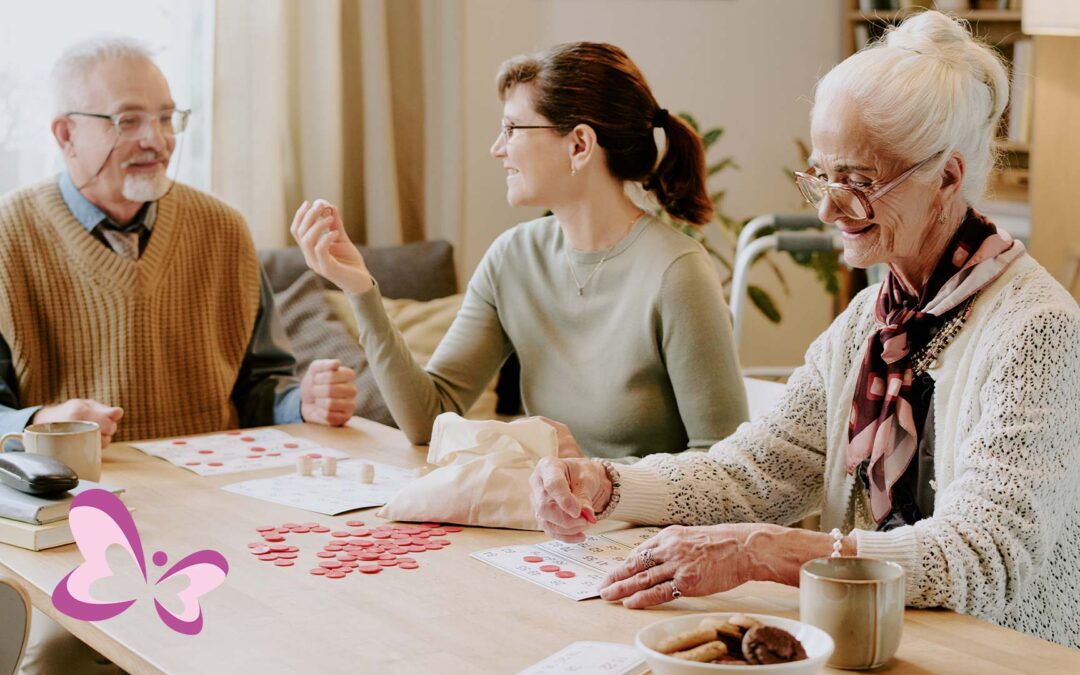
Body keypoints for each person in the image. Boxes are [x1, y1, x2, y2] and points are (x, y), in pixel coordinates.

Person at [530, 12, 1080, 649]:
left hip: (1005, 654)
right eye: (822, 174)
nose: (826, 207)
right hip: (879, 642)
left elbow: (982, 555)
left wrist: (762, 551)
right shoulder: (870, 323)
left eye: (860, 181)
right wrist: (609, 483)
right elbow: (756, 472)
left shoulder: (1038, 332)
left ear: (948, 177)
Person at [0, 37, 358, 674]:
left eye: (167, 118)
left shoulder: (222, 229)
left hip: (221, 524)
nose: (157, 140)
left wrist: (297, 401)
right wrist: (42, 423)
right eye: (128, 120)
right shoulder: (8, 238)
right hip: (80, 538)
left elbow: (259, 383)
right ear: (64, 134)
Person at [292, 41, 748, 460]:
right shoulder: (513, 257)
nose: (497, 149)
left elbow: (722, 467)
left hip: (647, 539)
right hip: (552, 531)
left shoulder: (677, 272)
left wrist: (602, 481)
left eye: (512, 128)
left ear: (579, 144)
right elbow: (427, 419)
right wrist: (360, 288)